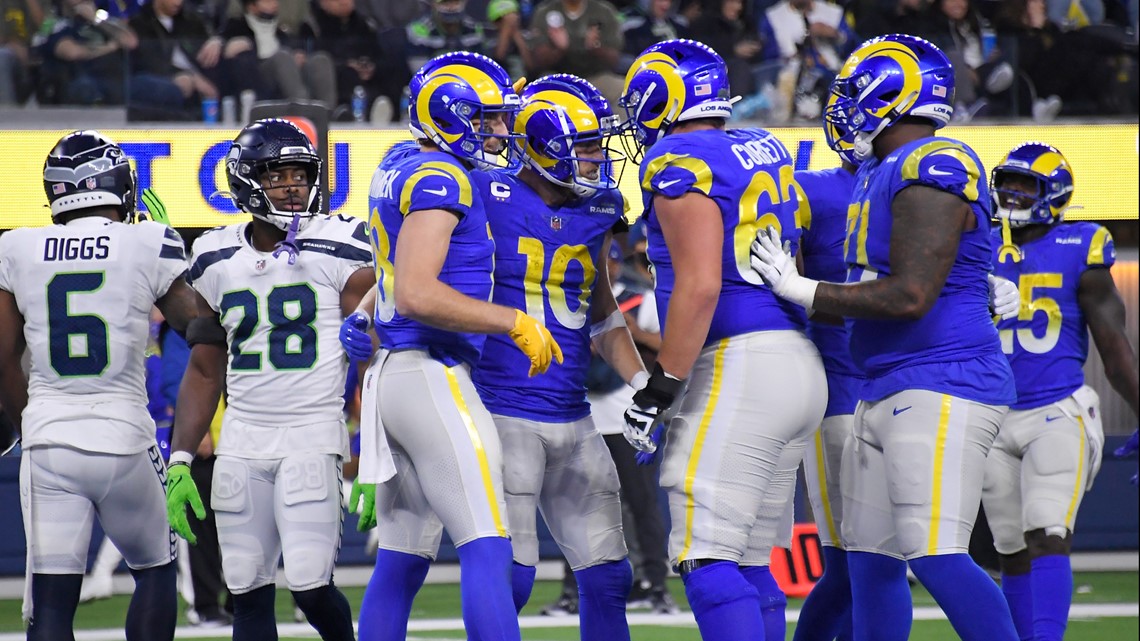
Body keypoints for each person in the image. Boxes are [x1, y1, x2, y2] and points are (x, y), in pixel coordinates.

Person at [749, 33, 1019, 641]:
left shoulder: (933, 162)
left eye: (852, 91)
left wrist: (802, 290)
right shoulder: (881, 169)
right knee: (869, 561)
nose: (841, 105)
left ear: (891, 94)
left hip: (942, 382)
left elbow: (910, 294)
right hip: (882, 385)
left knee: (936, 551)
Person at [341, 51, 559, 641]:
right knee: (488, 546)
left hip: (394, 375)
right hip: (430, 374)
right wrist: (511, 320)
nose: (500, 130)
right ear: (451, 117)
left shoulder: (400, 161)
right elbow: (414, 291)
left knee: (403, 559)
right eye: (487, 118)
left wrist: (364, 311)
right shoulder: (443, 176)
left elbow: (391, 272)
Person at [619, 38, 826, 640]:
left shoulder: (679, 160)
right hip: (794, 359)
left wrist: (661, 386)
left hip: (743, 362)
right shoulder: (760, 147)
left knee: (705, 555)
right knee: (749, 558)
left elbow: (702, 285)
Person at [164, 118, 374, 641]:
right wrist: (181, 458)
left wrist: (373, 450)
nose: (292, 186)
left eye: (300, 175)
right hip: (241, 439)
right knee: (245, 587)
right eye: (278, 176)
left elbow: (375, 360)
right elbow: (205, 365)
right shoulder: (213, 255)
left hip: (312, 432)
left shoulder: (341, 243)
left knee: (308, 583)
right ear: (245, 180)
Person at [0, 131, 198, 641]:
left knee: (51, 602)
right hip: (124, 435)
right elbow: (198, 328)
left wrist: (30, 425)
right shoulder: (146, 241)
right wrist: (178, 260)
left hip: (47, 438)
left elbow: (2, 357)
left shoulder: (16, 245)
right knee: (156, 568)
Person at [469, 75, 645, 641]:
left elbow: (602, 311)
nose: (600, 157)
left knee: (609, 576)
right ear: (544, 144)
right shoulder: (479, 193)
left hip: (574, 412)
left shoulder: (599, 208)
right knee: (513, 578)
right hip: (502, 406)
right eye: (589, 145)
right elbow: (411, 266)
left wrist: (642, 381)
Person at [982, 142, 1139, 641]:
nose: (1010, 193)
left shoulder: (1082, 246)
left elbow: (1115, 351)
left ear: (1054, 193)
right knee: (1009, 547)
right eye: (1006, 181)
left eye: (1023, 184)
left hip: (1056, 407)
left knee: (1047, 532)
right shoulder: (978, 245)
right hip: (990, 414)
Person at [789, 90, 860, 641]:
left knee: (876, 564)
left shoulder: (920, 182)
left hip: (903, 385)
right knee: (854, 565)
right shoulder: (810, 190)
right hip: (841, 386)